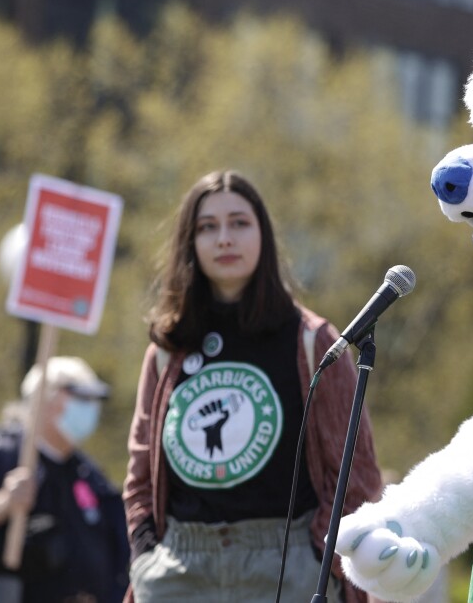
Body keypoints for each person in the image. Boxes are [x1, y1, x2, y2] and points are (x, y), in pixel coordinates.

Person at [123, 170, 383, 603]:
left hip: (287, 568)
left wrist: (321, 559)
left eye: (239, 223)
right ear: (190, 242)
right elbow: (139, 474)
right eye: (208, 227)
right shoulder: (168, 351)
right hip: (179, 572)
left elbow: (356, 475)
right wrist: (146, 553)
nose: (224, 238)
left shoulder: (311, 341)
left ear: (263, 235)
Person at [0, 356, 130, 603]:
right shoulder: (0, 454)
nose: (91, 408)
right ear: (43, 400)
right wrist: (4, 503)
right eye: (81, 398)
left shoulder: (85, 471)